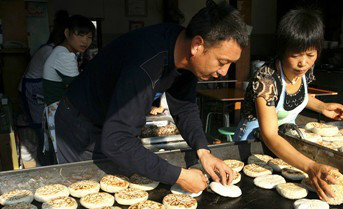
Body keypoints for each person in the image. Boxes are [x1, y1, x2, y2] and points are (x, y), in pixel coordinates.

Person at [55, 1, 248, 193]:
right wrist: (179, 176)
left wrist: (203, 151)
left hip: (111, 124)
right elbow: (117, 140)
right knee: (88, 194)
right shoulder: (146, 64)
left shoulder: (184, 53)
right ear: (197, 45)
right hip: (81, 122)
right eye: (222, 62)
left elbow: (184, 106)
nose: (224, 72)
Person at [234, 8, 343, 201]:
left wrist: (321, 106)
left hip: (285, 144)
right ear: (282, 50)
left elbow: (295, 95)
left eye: (310, 55)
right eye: (295, 55)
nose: (303, 63)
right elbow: (269, 134)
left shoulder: (304, 70)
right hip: (254, 147)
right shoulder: (266, 79)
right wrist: (311, 167)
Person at [18, 10, 68, 165]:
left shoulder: (51, 49)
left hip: (38, 87)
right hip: (32, 89)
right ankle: (43, 160)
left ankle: (47, 154)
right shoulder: (49, 52)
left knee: (45, 122)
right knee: (39, 126)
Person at [42, 15, 95, 160]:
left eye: (89, 37)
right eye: (81, 35)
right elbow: (78, 90)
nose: (85, 41)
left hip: (57, 110)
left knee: (61, 155)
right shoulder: (64, 56)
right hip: (60, 112)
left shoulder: (62, 52)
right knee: (68, 157)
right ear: (67, 33)